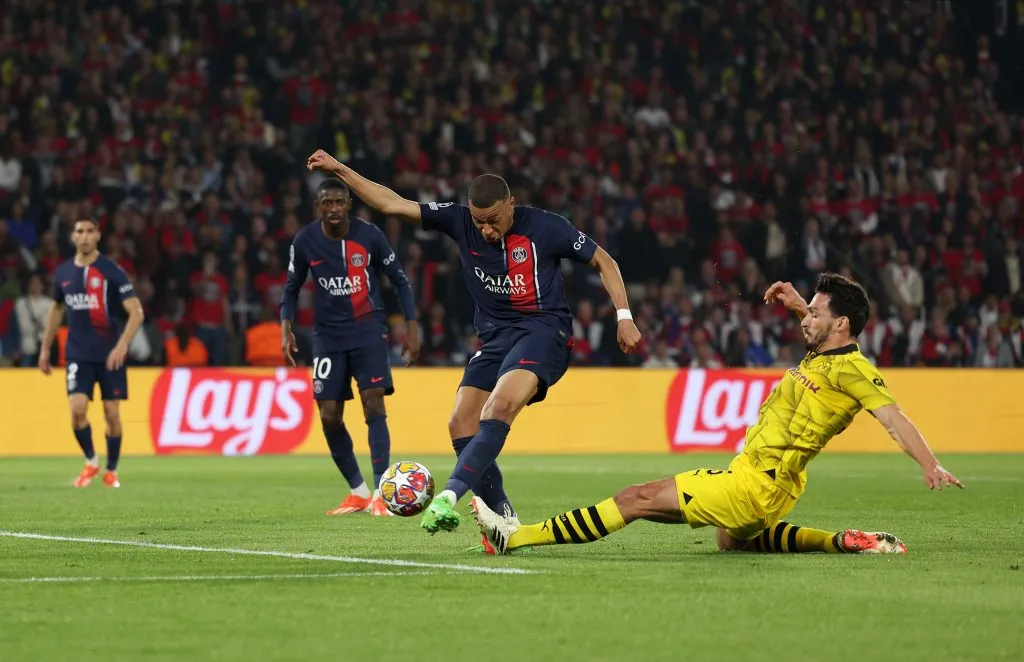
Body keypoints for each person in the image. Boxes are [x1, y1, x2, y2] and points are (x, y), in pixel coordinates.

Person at [472, 274, 964, 555]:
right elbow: (821, 339)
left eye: (814, 312)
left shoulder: (855, 370)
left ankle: (514, 538)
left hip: (754, 483)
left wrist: (928, 462)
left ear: (841, 324)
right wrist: (797, 305)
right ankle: (841, 542)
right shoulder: (828, 352)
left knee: (636, 497)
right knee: (732, 540)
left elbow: (894, 417)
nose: (805, 318)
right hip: (775, 486)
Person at [305, 149, 642, 536]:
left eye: (494, 220)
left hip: (544, 331)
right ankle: (505, 521)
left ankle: (449, 496)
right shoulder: (460, 221)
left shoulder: (547, 227)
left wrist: (624, 317)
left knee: (498, 406)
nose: (485, 230)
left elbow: (605, 261)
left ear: (511, 205)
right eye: (479, 221)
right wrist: (338, 169)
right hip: (496, 338)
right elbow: (392, 203)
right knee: (460, 422)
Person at [281, 178, 420, 517]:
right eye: (327, 203)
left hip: (367, 329)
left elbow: (399, 280)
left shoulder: (370, 235)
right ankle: (358, 492)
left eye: (339, 203)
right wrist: (285, 328)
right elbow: (291, 287)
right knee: (329, 415)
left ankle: (381, 493)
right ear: (318, 207)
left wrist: (412, 329)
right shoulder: (305, 241)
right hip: (327, 336)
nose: (333, 209)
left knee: (373, 404)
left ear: (348, 205)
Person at [38, 218, 145, 488]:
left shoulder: (111, 271)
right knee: (77, 409)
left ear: (98, 235)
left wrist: (122, 346)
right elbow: (56, 309)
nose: (84, 236)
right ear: (72, 237)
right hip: (78, 353)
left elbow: (136, 312)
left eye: (89, 231)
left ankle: (112, 470)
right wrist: (44, 349)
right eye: (79, 231)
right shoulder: (63, 273)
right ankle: (91, 461)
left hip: (110, 355)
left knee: (112, 414)